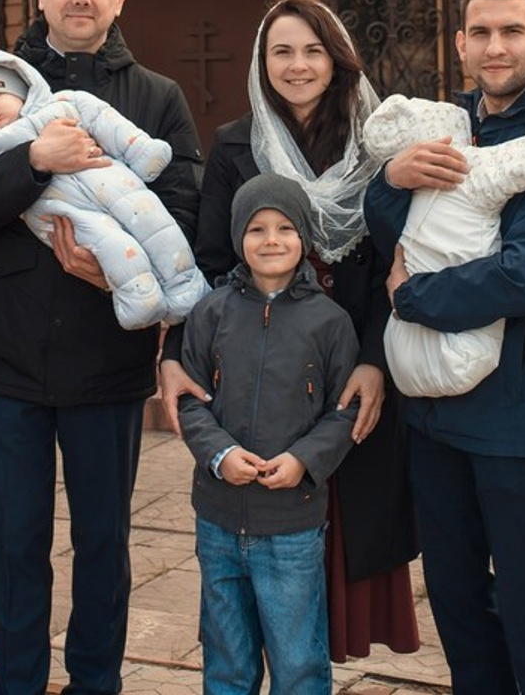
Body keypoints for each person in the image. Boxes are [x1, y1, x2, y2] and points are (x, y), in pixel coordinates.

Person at [0, 0, 201, 695]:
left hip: (106, 358)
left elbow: (182, 201)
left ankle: (97, 681)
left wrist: (113, 262)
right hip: (9, 358)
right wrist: (33, 161)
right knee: (17, 542)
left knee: (102, 541)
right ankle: (14, 683)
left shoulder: (155, 96)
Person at [364, 0, 525, 695]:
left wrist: (412, 300)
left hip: (515, 414)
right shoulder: (449, 124)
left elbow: (524, 276)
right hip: (435, 414)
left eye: (510, 32)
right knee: (454, 595)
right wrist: (392, 181)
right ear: (462, 43)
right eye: (480, 33)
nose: (494, 47)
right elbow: (390, 237)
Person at [163, 0, 420, 662]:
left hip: (352, 359)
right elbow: (207, 263)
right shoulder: (233, 146)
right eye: (282, 50)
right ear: (262, 59)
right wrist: (174, 354)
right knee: (257, 529)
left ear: (337, 60)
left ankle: (310, 664)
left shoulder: (377, 146)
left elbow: (399, 260)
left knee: (341, 518)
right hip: (262, 374)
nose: (298, 65)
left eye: (313, 50)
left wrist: (374, 361)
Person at [179, 173, 359, 694]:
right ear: (238, 238)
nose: (272, 240)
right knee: (227, 661)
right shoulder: (210, 312)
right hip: (216, 520)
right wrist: (219, 455)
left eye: (285, 227)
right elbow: (190, 398)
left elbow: (344, 411)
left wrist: (304, 459)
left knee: (298, 661)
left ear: (304, 237)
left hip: (292, 527)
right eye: (257, 229)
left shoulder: (330, 322)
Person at [0, 45, 206, 328]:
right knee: (114, 247)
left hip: (117, 185)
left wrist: (141, 150)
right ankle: (141, 305)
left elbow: (104, 120)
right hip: (65, 214)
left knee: (159, 228)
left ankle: (186, 292)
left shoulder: (64, 103)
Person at [363, 93, 525, 398]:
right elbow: (512, 163)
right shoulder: (466, 168)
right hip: (448, 345)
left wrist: (407, 294)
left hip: (413, 328)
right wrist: (391, 179)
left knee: (412, 344)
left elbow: (523, 278)